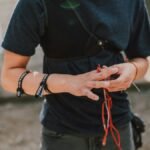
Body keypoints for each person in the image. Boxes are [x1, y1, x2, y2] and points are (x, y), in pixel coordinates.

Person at [1, 0, 150, 150]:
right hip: (62, 134)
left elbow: (142, 60)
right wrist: (67, 83)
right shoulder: (35, 3)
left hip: (118, 129)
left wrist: (133, 69)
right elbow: (9, 76)